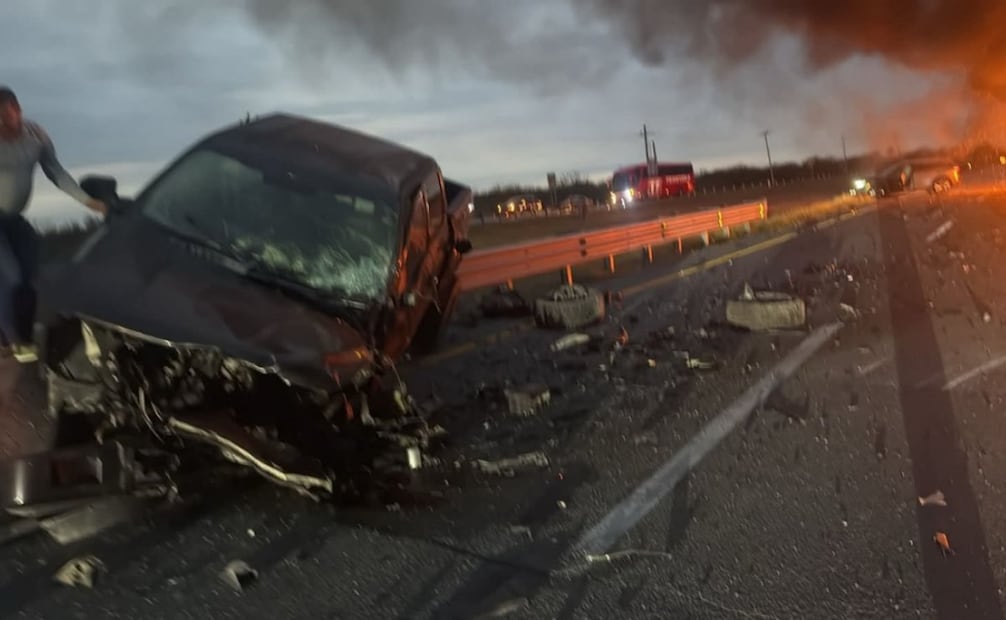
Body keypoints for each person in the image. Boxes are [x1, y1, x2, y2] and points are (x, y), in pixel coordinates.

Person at [0, 86, 106, 362]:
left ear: (17, 111)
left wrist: (89, 202)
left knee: (31, 273)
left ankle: (16, 330)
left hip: (13, 219)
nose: (2, 124)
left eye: (5, 116)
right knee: (9, 277)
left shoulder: (35, 136)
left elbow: (56, 172)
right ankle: (15, 341)